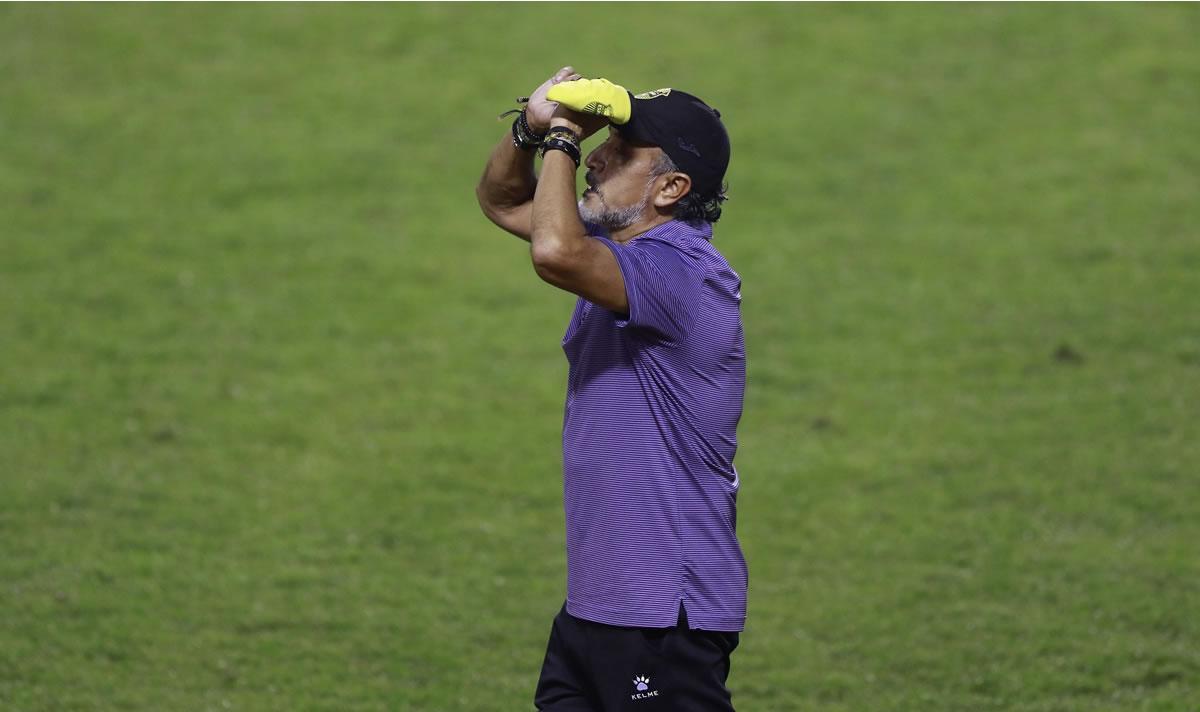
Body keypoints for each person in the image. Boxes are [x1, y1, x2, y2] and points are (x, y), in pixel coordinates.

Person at [476, 66, 747, 712]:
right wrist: (528, 131)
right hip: (597, 610)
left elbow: (554, 254)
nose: (597, 159)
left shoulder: (685, 272)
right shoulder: (620, 250)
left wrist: (564, 136)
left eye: (622, 153)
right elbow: (506, 203)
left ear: (671, 188)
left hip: (664, 614)